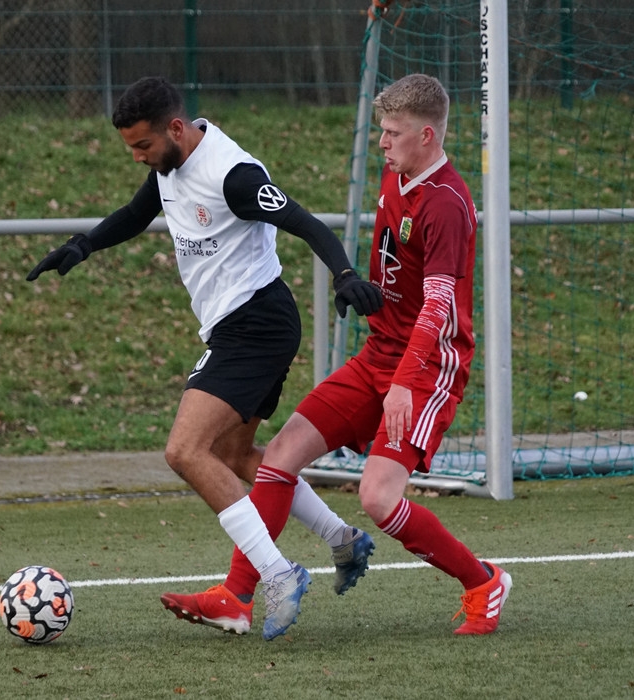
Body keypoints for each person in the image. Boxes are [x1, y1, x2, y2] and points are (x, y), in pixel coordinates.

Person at [27, 76, 383, 639]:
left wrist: (344, 275)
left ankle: (278, 574)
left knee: (185, 451)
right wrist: (83, 244)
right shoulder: (168, 165)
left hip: (257, 324)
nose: (138, 157)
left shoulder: (233, 175)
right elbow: (136, 212)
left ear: (175, 128)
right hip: (239, 327)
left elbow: (305, 222)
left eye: (143, 145)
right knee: (234, 454)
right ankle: (343, 539)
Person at [164, 74, 512, 637]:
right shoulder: (397, 173)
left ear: (427, 135)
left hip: (427, 367)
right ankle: (237, 596)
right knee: (278, 458)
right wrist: (357, 284)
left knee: (378, 498)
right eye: (382, 130)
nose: (382, 142)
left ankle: (482, 582)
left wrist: (404, 383)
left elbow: (439, 305)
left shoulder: (447, 204)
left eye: (393, 132)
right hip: (378, 355)